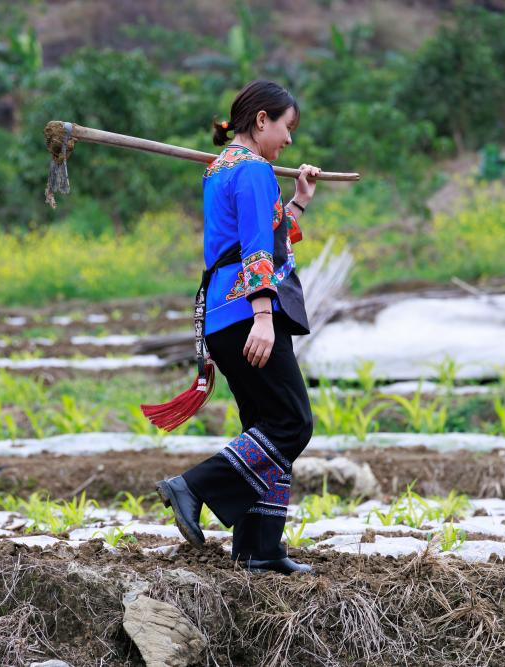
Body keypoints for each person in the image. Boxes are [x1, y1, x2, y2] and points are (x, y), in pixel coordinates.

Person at [154, 80, 322, 576]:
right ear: (262, 120)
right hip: (248, 314)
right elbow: (256, 249)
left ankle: (259, 549)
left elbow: (267, 233)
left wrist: (299, 201)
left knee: (264, 429)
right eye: (286, 127)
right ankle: (194, 486)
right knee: (291, 423)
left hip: (225, 316)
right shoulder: (251, 170)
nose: (289, 140)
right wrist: (265, 317)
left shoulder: (222, 167)